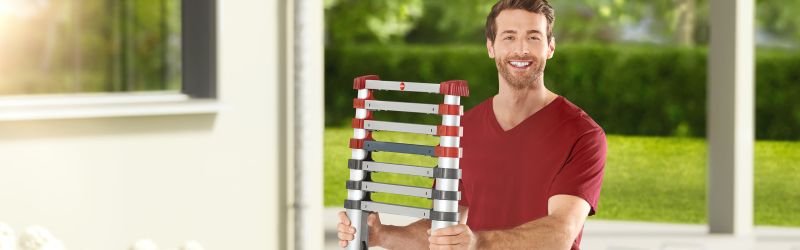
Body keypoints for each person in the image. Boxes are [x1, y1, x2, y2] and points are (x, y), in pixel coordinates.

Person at [338, 0, 606, 249]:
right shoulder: (461, 130)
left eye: (533, 37)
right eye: (509, 37)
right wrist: (381, 234)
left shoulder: (582, 134)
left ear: (550, 47)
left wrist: (477, 242)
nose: (521, 49)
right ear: (491, 47)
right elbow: (442, 231)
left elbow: (560, 232)